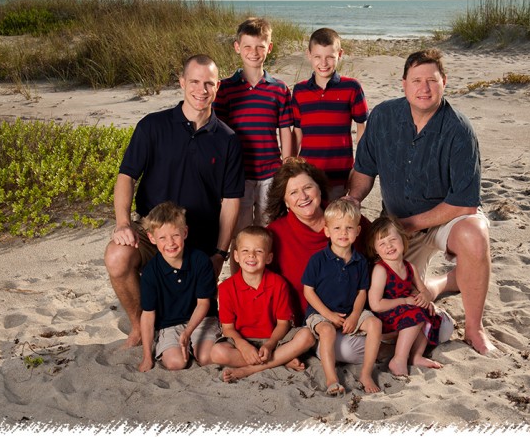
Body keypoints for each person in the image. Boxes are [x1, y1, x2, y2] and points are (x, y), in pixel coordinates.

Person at [348, 48, 495, 355]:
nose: (424, 88)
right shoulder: (383, 117)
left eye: (432, 80)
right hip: (398, 225)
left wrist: (409, 225)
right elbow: (363, 171)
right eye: (416, 80)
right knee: (390, 313)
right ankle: (444, 283)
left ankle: (474, 329)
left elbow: (464, 203)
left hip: (445, 220)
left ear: (444, 82)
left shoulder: (459, 130)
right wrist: (354, 199)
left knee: (475, 233)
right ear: (404, 84)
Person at [104, 54, 244, 348]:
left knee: (197, 329)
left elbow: (231, 201)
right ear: (182, 82)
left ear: (218, 86)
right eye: (194, 81)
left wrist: (220, 253)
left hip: (198, 240)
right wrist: (123, 223)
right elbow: (126, 176)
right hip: (151, 233)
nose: (201, 90)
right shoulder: (152, 126)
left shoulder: (228, 139)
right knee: (116, 256)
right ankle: (140, 327)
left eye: (209, 83)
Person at [265, 157, 369, 364]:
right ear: (285, 201)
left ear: (319, 189)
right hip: (311, 324)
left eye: (308, 188)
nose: (303, 196)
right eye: (293, 192)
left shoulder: (345, 218)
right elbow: (265, 286)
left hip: (355, 317)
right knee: (346, 350)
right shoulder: (275, 234)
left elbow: (381, 255)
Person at [214, 17, 294, 275]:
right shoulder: (225, 89)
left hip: (271, 174)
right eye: (247, 46)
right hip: (238, 177)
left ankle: (269, 285)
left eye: (260, 46)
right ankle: (240, 285)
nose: (254, 52)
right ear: (237, 47)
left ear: (269, 48)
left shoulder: (279, 89)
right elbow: (218, 135)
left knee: (269, 234)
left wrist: (287, 168)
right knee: (240, 237)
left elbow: (285, 131)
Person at [210, 226, 315, 382]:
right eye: (245, 251)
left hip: (275, 340)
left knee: (308, 336)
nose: (251, 255)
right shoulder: (226, 288)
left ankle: (250, 369)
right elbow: (228, 328)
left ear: (269, 258)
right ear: (236, 256)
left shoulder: (279, 283)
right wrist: (243, 346)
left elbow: (283, 324)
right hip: (243, 342)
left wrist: (271, 345)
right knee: (217, 353)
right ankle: (281, 359)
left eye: (258, 251)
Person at [302, 199, 382, 395]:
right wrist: (328, 315)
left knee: (375, 324)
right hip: (321, 313)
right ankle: (331, 378)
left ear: (357, 231)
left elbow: (362, 292)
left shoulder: (360, 261)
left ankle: (365, 373)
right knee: (327, 331)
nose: (343, 233)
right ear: (327, 231)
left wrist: (355, 315)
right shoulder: (318, 260)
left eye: (349, 228)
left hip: (350, 311)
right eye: (337, 228)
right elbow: (308, 291)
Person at [366, 216, 456, 376]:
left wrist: (425, 299)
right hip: (386, 315)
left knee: (427, 311)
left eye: (392, 239)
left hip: (404, 311)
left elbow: (424, 290)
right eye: (382, 244)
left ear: (403, 238)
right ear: (375, 249)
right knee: (416, 314)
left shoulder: (409, 267)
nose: (389, 246)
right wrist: (404, 301)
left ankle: (416, 355)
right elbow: (376, 304)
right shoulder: (381, 270)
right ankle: (399, 359)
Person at [137, 202, 220, 372]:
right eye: (162, 238)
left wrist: (188, 332)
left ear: (185, 232)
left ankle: (195, 346)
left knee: (206, 358)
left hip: (202, 319)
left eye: (175, 235)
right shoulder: (150, 272)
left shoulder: (200, 261)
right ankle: (175, 346)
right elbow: (148, 314)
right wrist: (147, 357)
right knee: (176, 363)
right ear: (152, 238)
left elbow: (203, 303)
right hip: (170, 324)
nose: (170, 243)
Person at [292, 28, 368, 200]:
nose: (323, 63)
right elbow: (297, 133)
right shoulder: (299, 90)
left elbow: (362, 129)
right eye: (317, 57)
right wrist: (291, 168)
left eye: (330, 57)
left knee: (334, 215)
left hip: (340, 174)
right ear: (309, 55)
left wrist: (358, 167)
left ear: (340, 54)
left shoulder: (352, 88)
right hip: (307, 174)